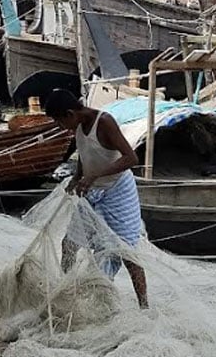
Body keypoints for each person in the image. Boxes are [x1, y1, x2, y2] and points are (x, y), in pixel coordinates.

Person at [45, 90, 149, 309]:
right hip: (92, 190)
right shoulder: (78, 127)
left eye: (59, 121)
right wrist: (77, 177)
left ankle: (144, 305)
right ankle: (66, 293)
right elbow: (85, 154)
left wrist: (94, 176)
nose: (61, 127)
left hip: (118, 190)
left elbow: (131, 158)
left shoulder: (104, 123)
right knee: (69, 243)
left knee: (126, 251)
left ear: (70, 113)